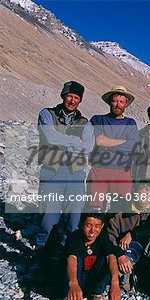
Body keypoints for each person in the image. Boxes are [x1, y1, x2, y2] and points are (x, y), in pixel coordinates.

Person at [35, 80, 94, 254]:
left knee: (73, 221)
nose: (72, 100)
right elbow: (49, 137)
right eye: (69, 96)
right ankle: (41, 254)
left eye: (76, 97)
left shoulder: (85, 122)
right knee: (48, 219)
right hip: (52, 172)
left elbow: (88, 148)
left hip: (75, 175)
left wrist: (60, 139)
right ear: (63, 96)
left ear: (80, 100)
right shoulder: (46, 114)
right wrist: (75, 141)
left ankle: (69, 256)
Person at [107, 180, 150, 299]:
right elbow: (110, 239)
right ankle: (124, 281)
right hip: (126, 257)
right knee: (112, 259)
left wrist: (132, 234)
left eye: (148, 193)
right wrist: (120, 255)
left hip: (147, 257)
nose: (144, 197)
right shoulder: (120, 212)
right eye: (140, 193)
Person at [87, 85, 139, 212]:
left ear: (126, 104)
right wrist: (124, 142)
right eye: (115, 101)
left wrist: (108, 143)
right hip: (99, 169)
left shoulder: (130, 123)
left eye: (121, 102)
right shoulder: (98, 119)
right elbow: (99, 141)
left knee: (121, 209)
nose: (117, 105)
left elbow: (134, 145)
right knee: (94, 209)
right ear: (110, 102)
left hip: (123, 171)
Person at [64, 211, 121, 300]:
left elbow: (111, 256)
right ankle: (70, 295)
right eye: (88, 225)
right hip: (76, 279)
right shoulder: (74, 237)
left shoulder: (102, 236)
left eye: (97, 226)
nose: (92, 231)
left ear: (102, 226)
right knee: (75, 259)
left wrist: (115, 283)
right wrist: (73, 283)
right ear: (81, 224)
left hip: (91, 280)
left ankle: (97, 294)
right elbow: (72, 259)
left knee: (110, 257)